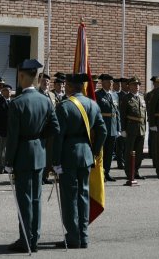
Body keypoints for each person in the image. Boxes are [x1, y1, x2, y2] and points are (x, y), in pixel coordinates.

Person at [5, 59, 60, 253]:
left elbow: (12, 137)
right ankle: (34, 238)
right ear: (36, 77)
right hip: (39, 153)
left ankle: (25, 239)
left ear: (21, 76)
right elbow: (55, 127)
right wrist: (38, 137)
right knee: (36, 198)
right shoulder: (45, 100)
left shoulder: (17, 103)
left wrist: (8, 162)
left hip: (22, 155)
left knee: (24, 199)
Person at [53, 73, 107, 249]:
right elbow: (103, 131)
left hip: (68, 156)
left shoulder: (64, 106)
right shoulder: (92, 104)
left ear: (69, 86)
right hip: (86, 154)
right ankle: (84, 236)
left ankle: (73, 237)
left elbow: (58, 137)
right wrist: (95, 150)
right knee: (83, 196)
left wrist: (55, 161)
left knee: (69, 197)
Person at [120, 76, 147, 179]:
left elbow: (144, 114)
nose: (137, 86)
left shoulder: (142, 97)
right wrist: (123, 129)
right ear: (129, 86)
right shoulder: (126, 98)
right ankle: (129, 172)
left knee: (139, 153)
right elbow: (122, 115)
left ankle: (136, 171)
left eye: (138, 85)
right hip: (130, 128)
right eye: (134, 84)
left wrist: (145, 127)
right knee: (129, 151)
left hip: (141, 128)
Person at [96, 73, 120, 182]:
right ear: (103, 83)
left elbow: (117, 112)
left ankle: (107, 172)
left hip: (113, 127)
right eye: (108, 82)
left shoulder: (115, 95)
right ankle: (100, 173)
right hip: (103, 126)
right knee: (102, 152)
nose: (111, 84)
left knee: (110, 153)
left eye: (111, 82)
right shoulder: (98, 95)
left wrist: (119, 128)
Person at [38, 73, 56, 184]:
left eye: (48, 82)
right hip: (40, 129)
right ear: (39, 81)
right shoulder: (36, 93)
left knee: (49, 154)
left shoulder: (52, 95)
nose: (46, 83)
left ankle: (45, 176)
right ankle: (39, 177)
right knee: (40, 153)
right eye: (44, 81)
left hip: (50, 130)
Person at [145, 76, 159, 161]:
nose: (158, 84)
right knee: (152, 138)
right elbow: (148, 108)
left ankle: (158, 156)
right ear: (154, 83)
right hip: (153, 119)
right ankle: (152, 154)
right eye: (156, 83)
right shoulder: (150, 94)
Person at [115, 77, 129, 170]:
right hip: (120, 122)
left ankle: (127, 161)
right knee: (120, 145)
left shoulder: (130, 95)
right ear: (122, 85)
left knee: (128, 145)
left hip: (130, 123)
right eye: (125, 84)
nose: (127, 86)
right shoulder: (117, 96)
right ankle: (121, 163)